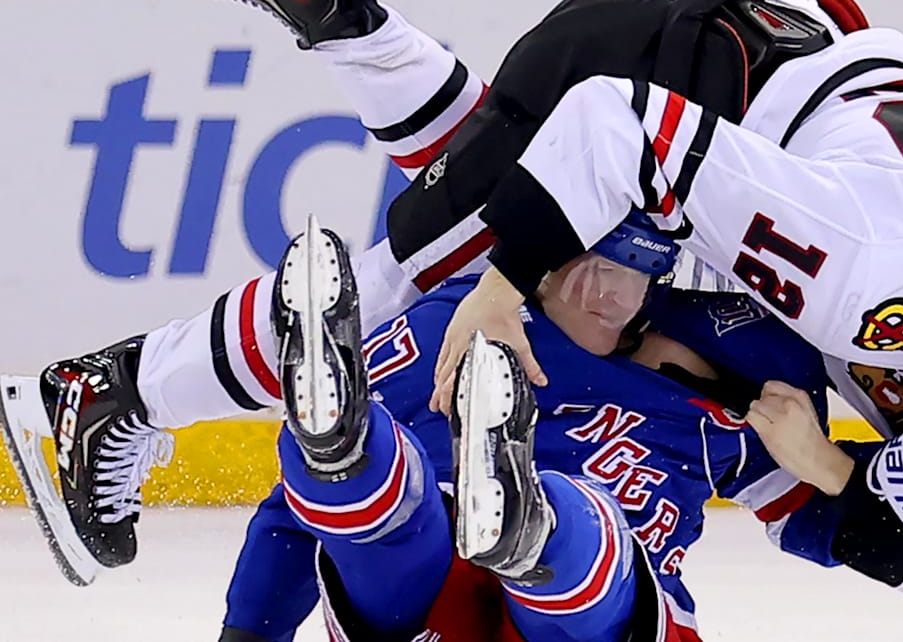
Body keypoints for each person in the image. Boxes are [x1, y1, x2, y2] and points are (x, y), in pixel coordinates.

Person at [0, 0, 903, 618]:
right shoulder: (855, 261)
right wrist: (500, 289)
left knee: (462, 179)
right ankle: (110, 391)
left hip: (765, 37)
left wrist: (837, 474)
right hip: (684, 52)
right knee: (422, 282)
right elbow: (614, 127)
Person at [212, 212, 824, 641]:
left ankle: (358, 460)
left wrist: (822, 460)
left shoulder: (744, 399)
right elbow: (293, 515)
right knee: (428, 524)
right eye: (585, 264)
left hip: (482, 610)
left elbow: (854, 528)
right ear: (538, 264)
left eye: (630, 271)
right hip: (526, 595)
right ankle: (368, 456)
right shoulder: (453, 330)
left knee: (393, 526)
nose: (601, 294)